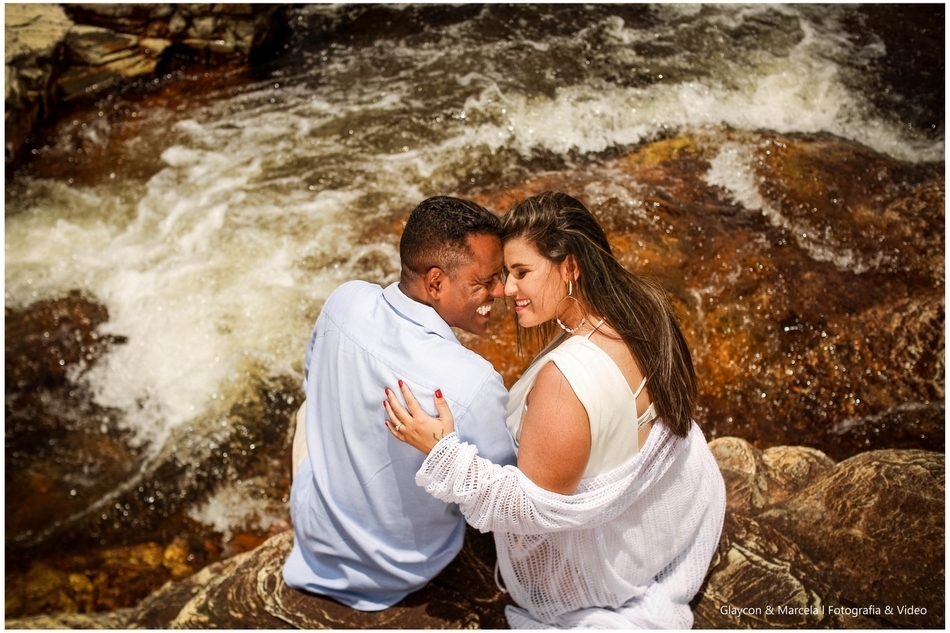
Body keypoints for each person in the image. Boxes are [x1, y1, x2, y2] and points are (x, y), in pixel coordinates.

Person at [384, 191, 726, 629]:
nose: (507, 290)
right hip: (654, 535)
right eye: (506, 273)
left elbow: (536, 511)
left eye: (522, 273)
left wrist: (444, 455)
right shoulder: (643, 309)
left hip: (585, 575)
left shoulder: (563, 382)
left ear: (570, 266)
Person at [282, 196, 518, 611]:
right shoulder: (472, 382)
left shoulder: (345, 301)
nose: (501, 291)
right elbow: (506, 497)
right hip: (400, 566)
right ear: (435, 283)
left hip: (316, 533)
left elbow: (312, 372)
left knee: (308, 407)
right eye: (484, 281)